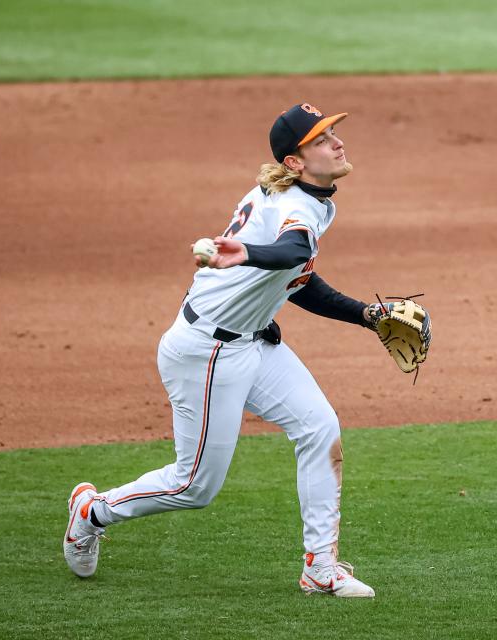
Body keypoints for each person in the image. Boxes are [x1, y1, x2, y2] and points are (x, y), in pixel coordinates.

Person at [63, 103, 410, 598]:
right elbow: (291, 252)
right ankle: (91, 511)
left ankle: (321, 566)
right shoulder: (297, 206)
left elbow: (299, 278)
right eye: (321, 140)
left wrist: (365, 315)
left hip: (252, 341)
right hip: (205, 352)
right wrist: (247, 254)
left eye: (333, 132)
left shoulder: (299, 196)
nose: (337, 142)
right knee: (193, 488)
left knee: (320, 427)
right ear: (295, 161)